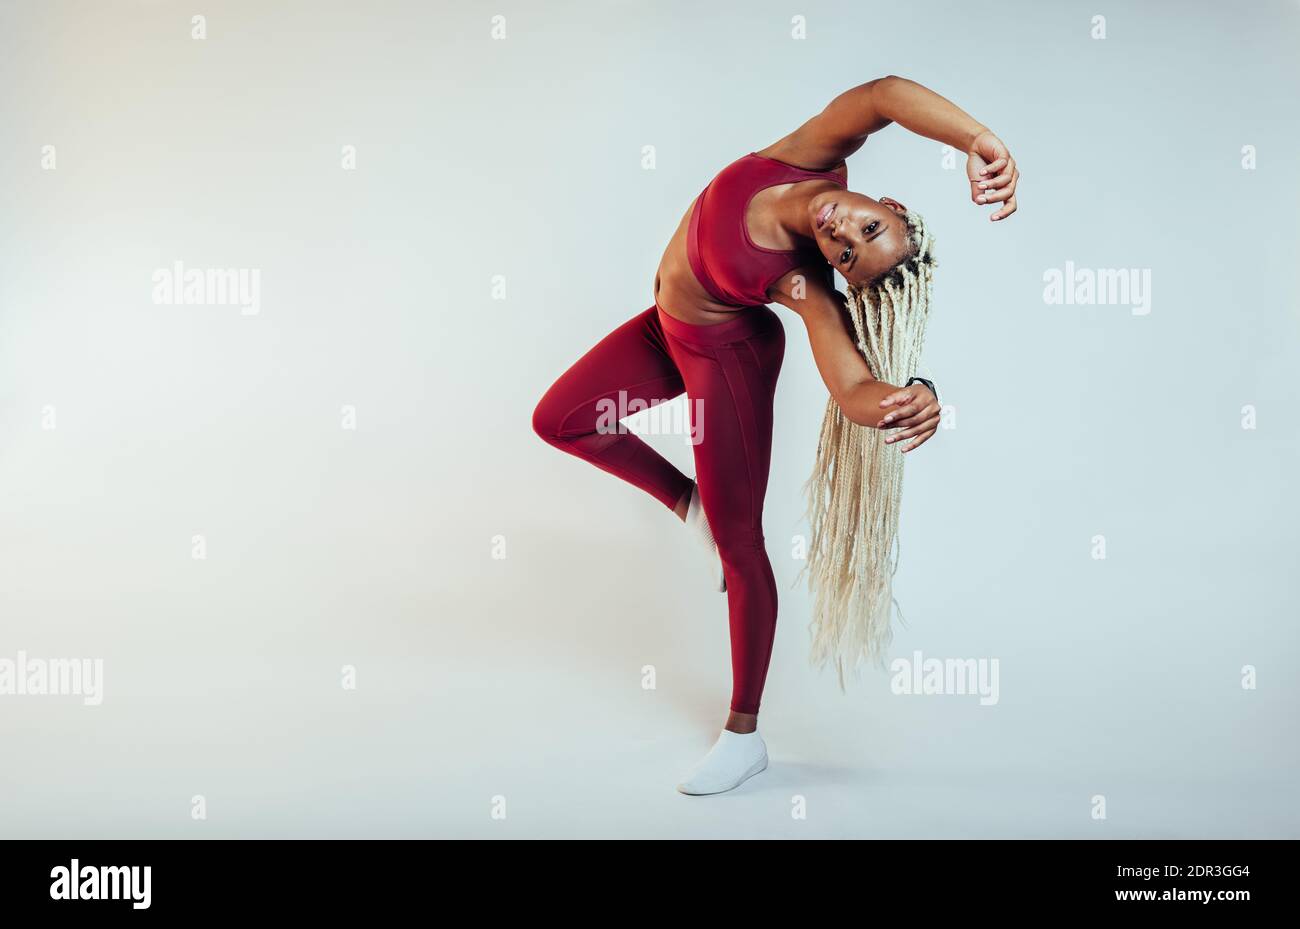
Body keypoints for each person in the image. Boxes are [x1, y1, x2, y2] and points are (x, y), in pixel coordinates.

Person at [532, 75, 1020, 795]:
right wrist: (979, 140)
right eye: (868, 227)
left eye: (851, 255)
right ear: (884, 204)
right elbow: (885, 95)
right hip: (662, 328)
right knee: (561, 419)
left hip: (724, 360)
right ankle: (688, 504)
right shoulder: (811, 157)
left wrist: (918, 394)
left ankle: (744, 733)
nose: (842, 235)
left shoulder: (799, 281)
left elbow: (851, 386)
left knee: (741, 544)